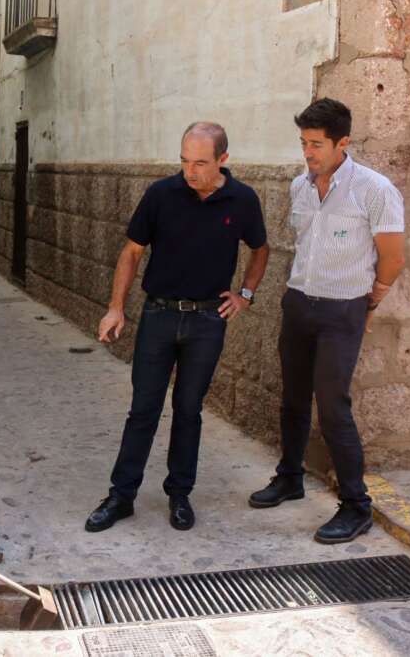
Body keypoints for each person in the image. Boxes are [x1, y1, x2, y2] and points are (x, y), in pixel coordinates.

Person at [85, 122, 270, 533]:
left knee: (189, 410)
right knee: (143, 410)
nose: (190, 171)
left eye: (200, 163)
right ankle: (121, 496)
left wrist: (245, 294)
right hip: (159, 316)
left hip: (208, 320)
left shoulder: (242, 200)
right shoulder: (160, 195)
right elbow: (132, 252)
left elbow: (260, 249)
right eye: (184, 161)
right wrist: (116, 308)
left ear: (223, 160)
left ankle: (179, 494)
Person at [248, 98, 405, 543]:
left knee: (333, 407)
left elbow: (392, 258)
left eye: (316, 144)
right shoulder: (301, 187)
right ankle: (290, 477)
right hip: (299, 303)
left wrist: (370, 303)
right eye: (304, 143)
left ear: (343, 143)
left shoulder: (374, 190)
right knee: (293, 398)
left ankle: (356, 506)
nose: (308, 153)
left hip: (343, 309)